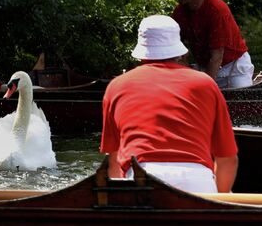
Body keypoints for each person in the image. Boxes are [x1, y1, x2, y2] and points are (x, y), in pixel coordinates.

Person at [100, 15, 238, 193]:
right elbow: (228, 160)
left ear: (141, 51)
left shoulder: (116, 86)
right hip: (197, 180)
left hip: (141, 178)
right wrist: (220, 202)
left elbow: (113, 162)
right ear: (181, 52)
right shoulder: (206, 83)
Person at [171, 0, 254, 88]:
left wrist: (206, 89)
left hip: (234, 68)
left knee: (242, 100)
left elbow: (217, 57)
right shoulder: (180, 12)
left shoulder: (217, 10)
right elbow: (173, 47)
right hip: (205, 68)